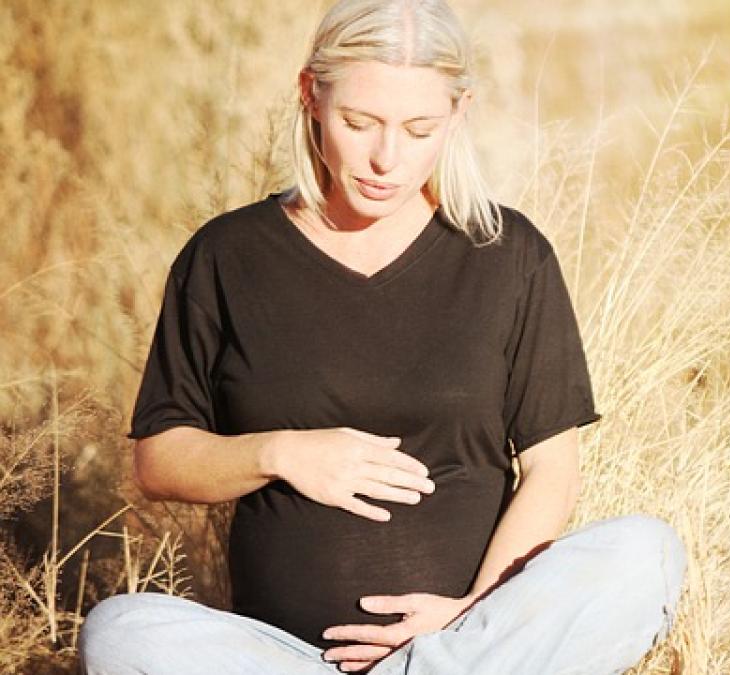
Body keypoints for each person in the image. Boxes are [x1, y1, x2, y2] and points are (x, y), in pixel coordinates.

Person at [78, 0, 686, 672]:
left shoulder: (508, 254)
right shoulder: (227, 255)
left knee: (646, 554)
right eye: (359, 122)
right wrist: (282, 451)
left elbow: (552, 467)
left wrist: (470, 614)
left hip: (468, 642)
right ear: (311, 94)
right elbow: (159, 460)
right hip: (282, 657)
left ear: (458, 113)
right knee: (120, 631)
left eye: (419, 128)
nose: (386, 158)